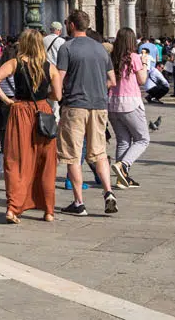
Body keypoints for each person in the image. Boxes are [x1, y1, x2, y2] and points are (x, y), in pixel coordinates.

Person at [0, 29, 62, 223]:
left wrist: (7, 100)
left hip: (20, 112)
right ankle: (48, 211)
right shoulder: (50, 67)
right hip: (43, 112)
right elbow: (58, 96)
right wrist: (45, 98)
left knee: (16, 160)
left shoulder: (14, 63)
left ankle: (13, 208)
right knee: (45, 162)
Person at [55, 11, 117, 216]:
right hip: (99, 106)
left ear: (72, 25)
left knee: (73, 155)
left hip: (75, 106)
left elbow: (60, 78)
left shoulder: (67, 47)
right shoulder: (100, 49)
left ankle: (79, 202)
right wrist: (96, 88)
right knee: (99, 153)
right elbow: (112, 81)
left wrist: (57, 94)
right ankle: (108, 192)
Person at [106, 28, 149, 189]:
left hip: (112, 102)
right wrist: (145, 63)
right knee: (142, 139)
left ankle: (121, 179)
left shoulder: (112, 57)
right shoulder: (134, 57)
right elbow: (142, 79)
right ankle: (123, 165)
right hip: (130, 102)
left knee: (123, 141)